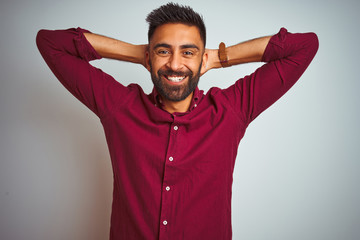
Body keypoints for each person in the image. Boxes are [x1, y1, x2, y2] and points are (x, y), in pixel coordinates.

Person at [36, 2, 318, 240]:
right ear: (150, 56)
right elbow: (49, 42)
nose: (174, 64)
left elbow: (304, 46)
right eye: (163, 51)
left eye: (188, 52)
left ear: (201, 58)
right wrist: (138, 54)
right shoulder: (119, 107)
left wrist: (221, 57)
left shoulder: (231, 110)